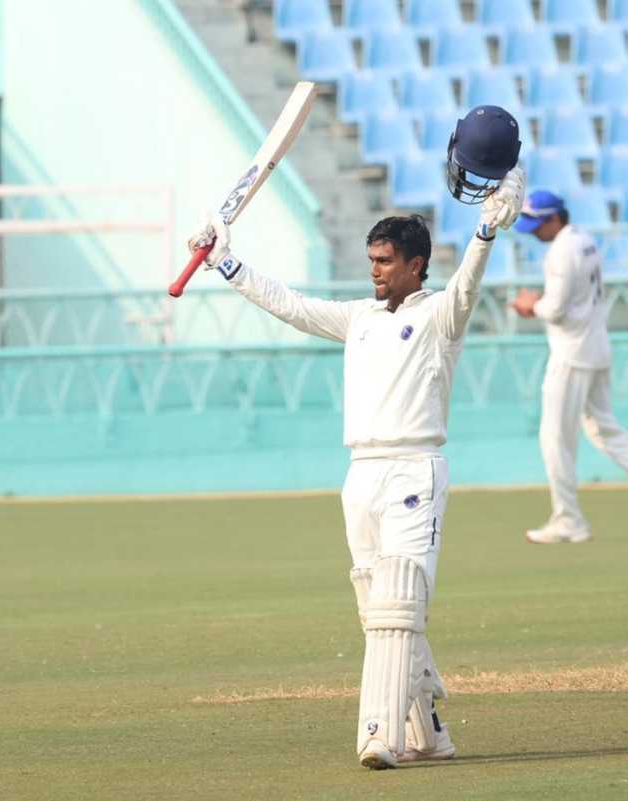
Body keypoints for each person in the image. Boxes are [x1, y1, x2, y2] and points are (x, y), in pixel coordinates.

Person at [186, 107, 525, 770]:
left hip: (413, 471)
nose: (374, 271)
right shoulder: (358, 320)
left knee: (399, 599)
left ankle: (380, 734)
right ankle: (428, 727)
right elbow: (288, 303)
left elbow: (468, 284)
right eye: (371, 260)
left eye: (385, 261)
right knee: (380, 608)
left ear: (416, 265)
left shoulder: (438, 320)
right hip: (360, 476)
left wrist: (486, 229)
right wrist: (226, 261)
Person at [510, 190, 628, 544]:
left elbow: (556, 310)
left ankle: (568, 519)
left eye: (538, 224)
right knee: (605, 429)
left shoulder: (561, 252)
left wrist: (531, 304)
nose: (533, 232)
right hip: (595, 348)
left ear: (555, 218)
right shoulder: (585, 240)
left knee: (554, 438)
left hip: (571, 356)